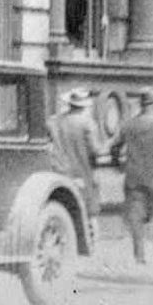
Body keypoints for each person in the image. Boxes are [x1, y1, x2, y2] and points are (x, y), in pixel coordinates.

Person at [112, 90, 153, 264]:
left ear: (141, 104)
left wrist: (118, 165)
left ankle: (139, 255)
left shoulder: (128, 125)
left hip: (133, 176)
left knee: (136, 216)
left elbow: (115, 147)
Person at [47, 88, 106, 237]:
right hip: (82, 172)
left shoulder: (54, 121)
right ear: (84, 105)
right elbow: (96, 150)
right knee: (89, 213)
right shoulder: (87, 123)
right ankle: (91, 244)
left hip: (59, 172)